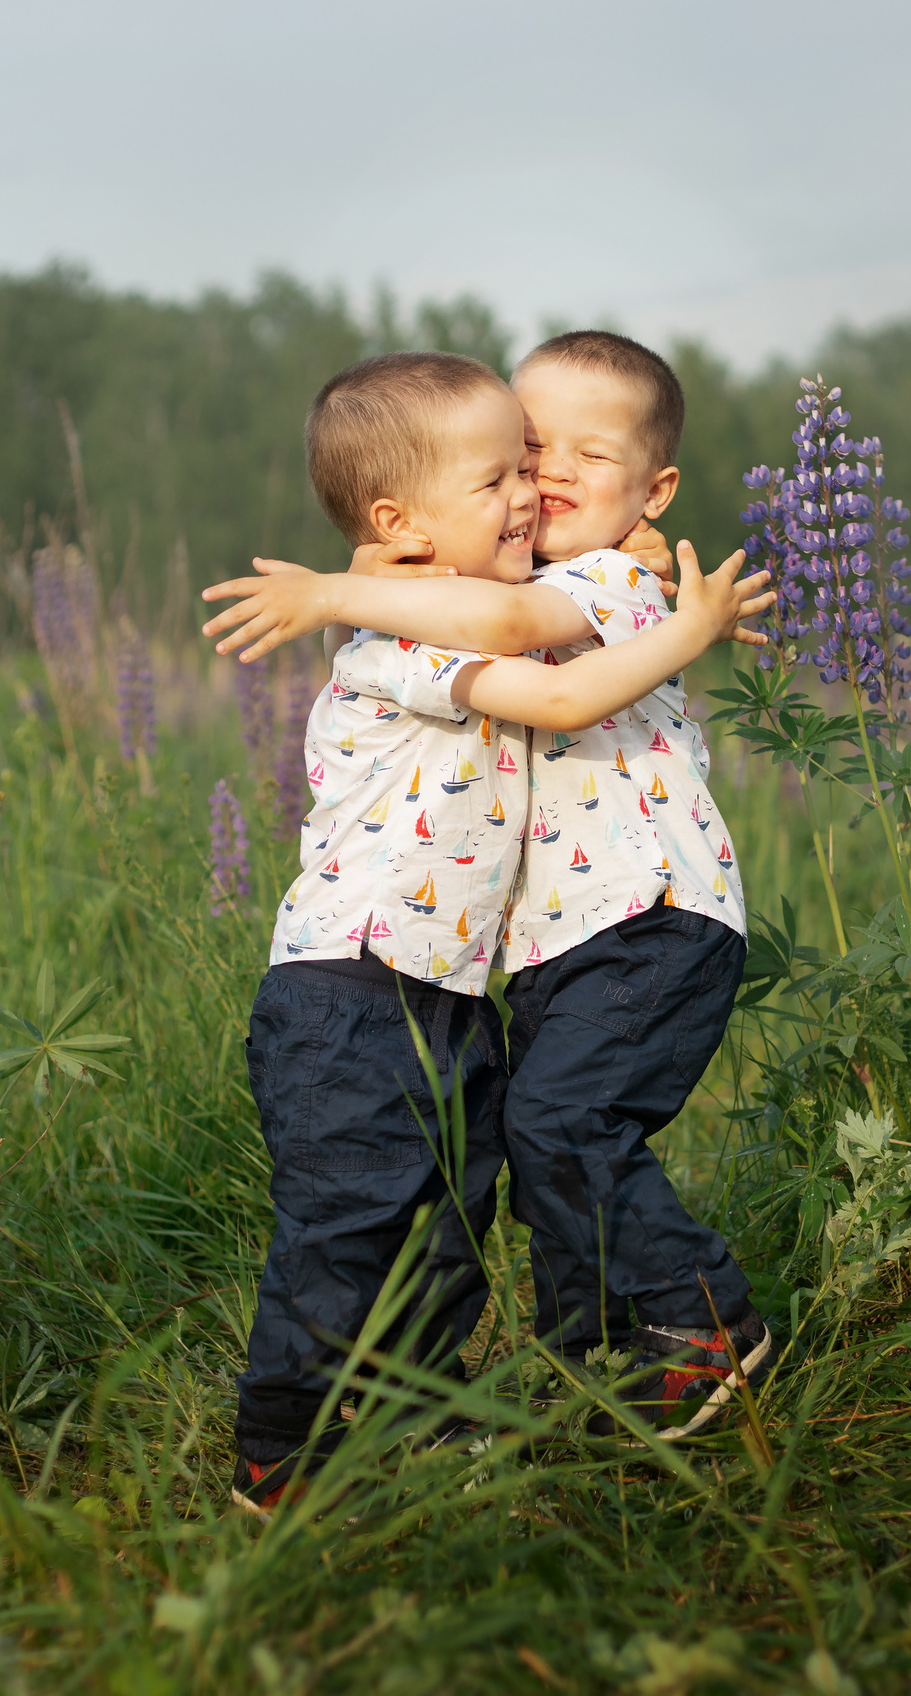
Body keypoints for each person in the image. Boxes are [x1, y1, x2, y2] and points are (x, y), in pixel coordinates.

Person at [204, 331, 773, 1445]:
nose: (542, 478)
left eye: (571, 459)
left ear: (651, 491)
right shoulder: (429, 608)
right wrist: (367, 577)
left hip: (642, 906)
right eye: (519, 455)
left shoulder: (604, 575)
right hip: (453, 954)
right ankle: (576, 1371)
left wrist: (332, 587)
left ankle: (691, 1327)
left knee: (555, 1125)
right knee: (475, 1171)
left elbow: (515, 634)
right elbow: (438, 592)